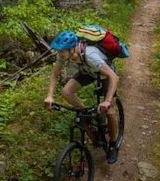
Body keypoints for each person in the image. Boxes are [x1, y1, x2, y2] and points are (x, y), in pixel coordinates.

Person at [44, 29, 121, 163]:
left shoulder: (90, 56)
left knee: (110, 112)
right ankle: (87, 114)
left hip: (105, 75)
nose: (59, 54)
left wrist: (107, 101)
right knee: (66, 92)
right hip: (87, 71)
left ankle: (113, 145)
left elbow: (114, 77)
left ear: (72, 49)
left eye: (62, 51)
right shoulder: (63, 55)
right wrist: (50, 96)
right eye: (58, 51)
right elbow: (55, 75)